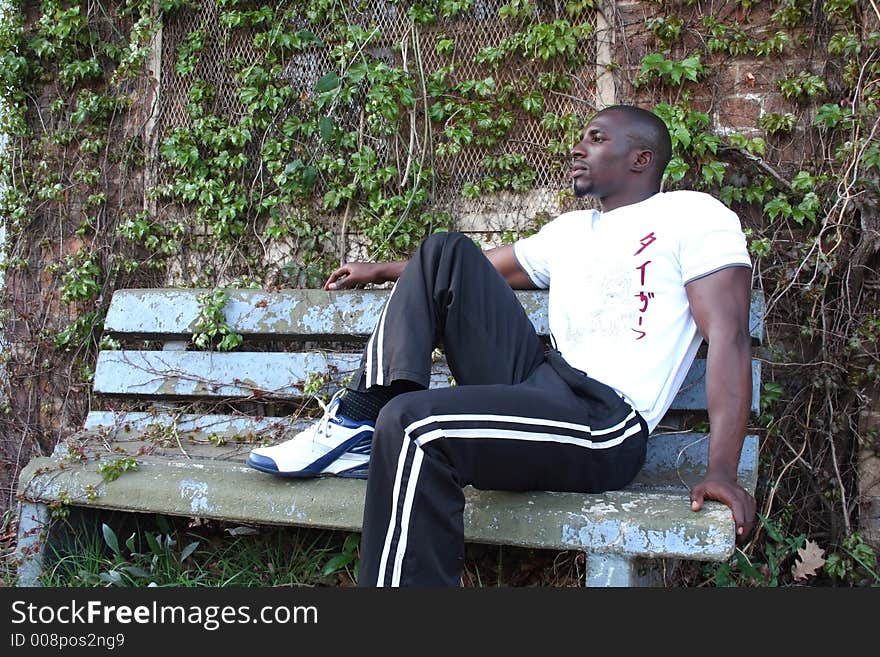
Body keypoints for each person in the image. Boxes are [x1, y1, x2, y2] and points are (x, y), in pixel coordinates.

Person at [247, 104, 757, 586]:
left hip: (602, 422)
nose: (577, 149)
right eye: (581, 138)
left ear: (640, 159)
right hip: (537, 382)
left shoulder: (693, 216)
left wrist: (722, 471)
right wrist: (380, 270)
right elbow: (485, 267)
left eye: (596, 139)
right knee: (444, 249)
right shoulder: (572, 230)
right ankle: (358, 417)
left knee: (411, 426)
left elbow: (729, 336)